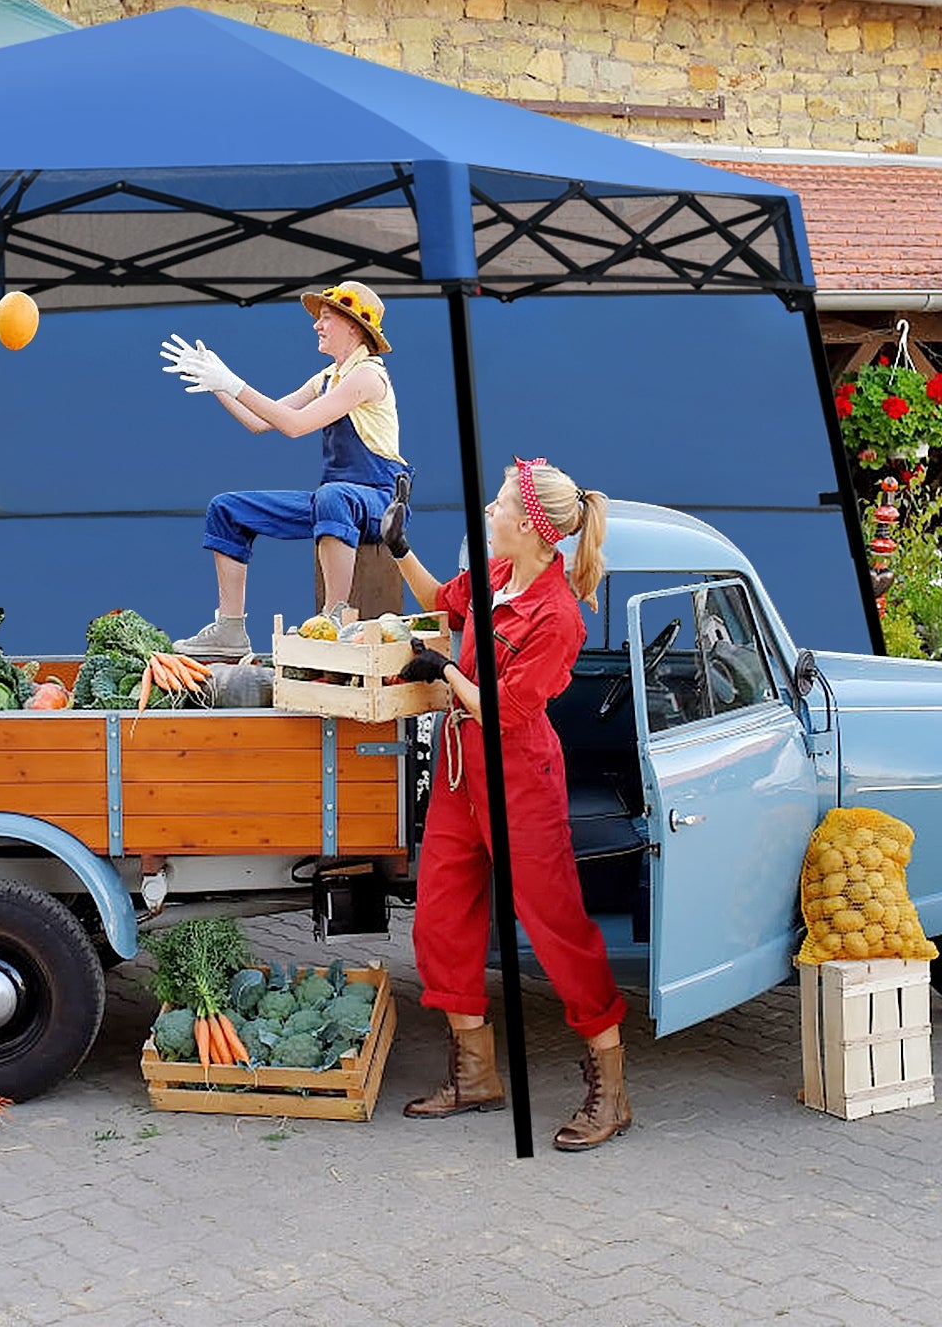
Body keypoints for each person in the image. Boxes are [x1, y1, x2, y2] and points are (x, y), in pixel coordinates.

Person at [383, 457, 631, 1151]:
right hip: (465, 772)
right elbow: (443, 599)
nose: (487, 514)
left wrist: (448, 670)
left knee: (555, 927)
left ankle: (610, 1092)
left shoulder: (558, 617)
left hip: (518, 773)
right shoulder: (495, 579)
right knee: (439, 917)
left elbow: (507, 709)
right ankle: (474, 1075)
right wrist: (399, 548)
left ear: (528, 525)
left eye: (495, 506)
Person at [160, 281, 413, 658]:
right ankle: (230, 629)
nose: (317, 325)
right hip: (337, 501)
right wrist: (216, 382)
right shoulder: (327, 378)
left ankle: (335, 617)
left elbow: (295, 427)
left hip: (380, 503)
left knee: (332, 497)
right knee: (226, 508)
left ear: (354, 328)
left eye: (326, 318)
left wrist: (235, 382)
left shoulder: (368, 376)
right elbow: (260, 421)